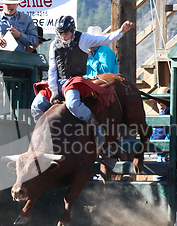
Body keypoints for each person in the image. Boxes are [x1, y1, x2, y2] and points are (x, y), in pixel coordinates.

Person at [31, 15, 134, 150]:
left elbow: (105, 39)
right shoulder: (54, 45)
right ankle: (46, 135)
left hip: (74, 80)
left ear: (72, 31)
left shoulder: (83, 39)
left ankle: (95, 127)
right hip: (57, 82)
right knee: (36, 106)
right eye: (60, 33)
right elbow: (53, 68)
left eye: (66, 33)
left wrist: (121, 31)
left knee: (73, 104)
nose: (63, 36)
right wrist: (54, 91)